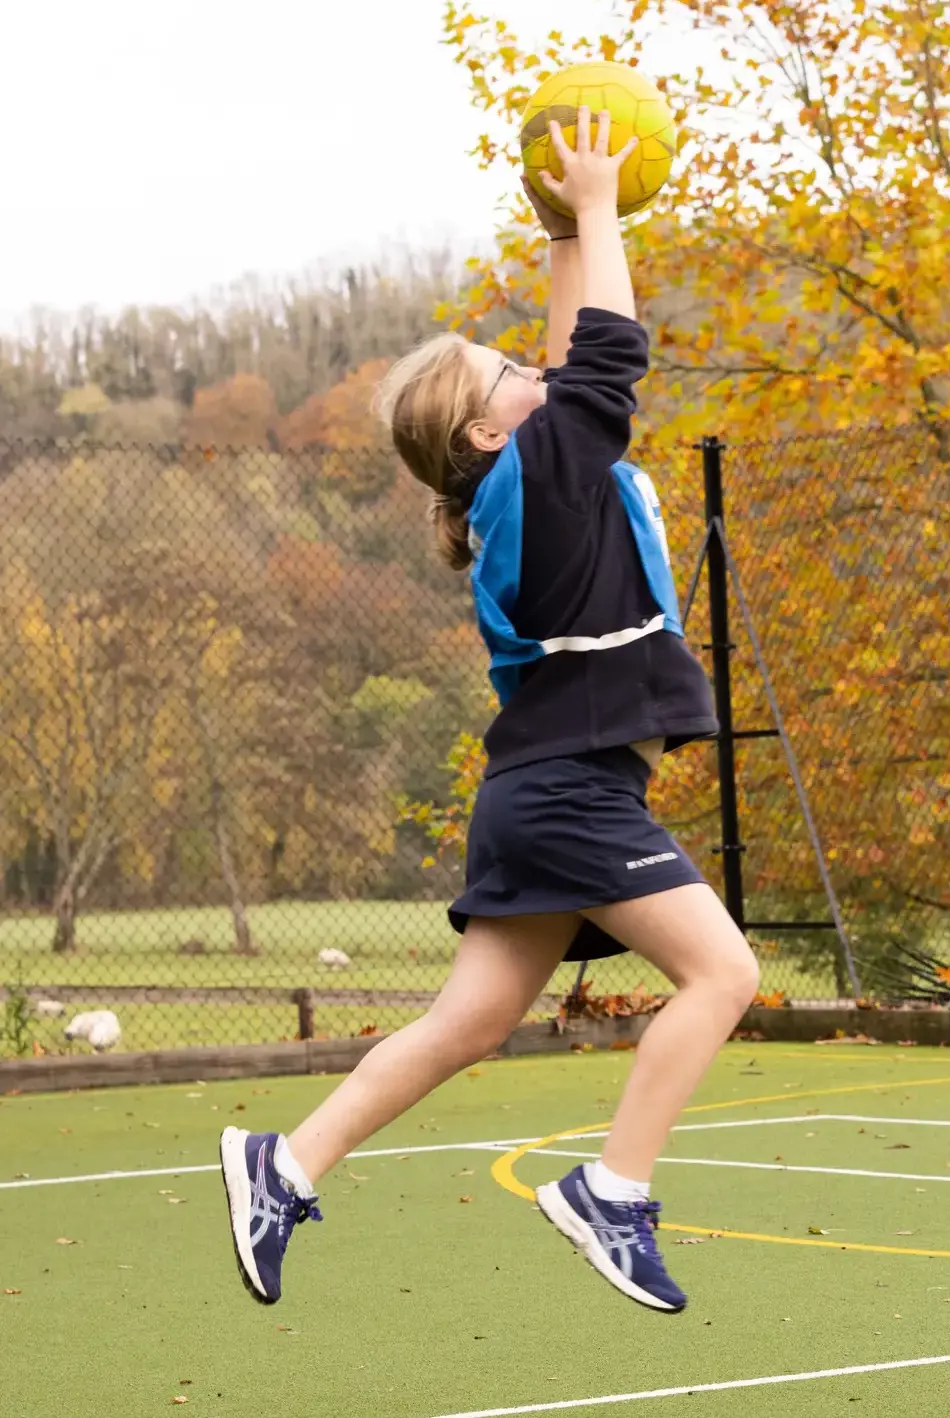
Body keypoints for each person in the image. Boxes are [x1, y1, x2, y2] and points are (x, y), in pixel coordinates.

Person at [220, 107, 759, 1315]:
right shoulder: (543, 467)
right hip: (566, 788)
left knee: (466, 1022)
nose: (538, 373)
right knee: (722, 972)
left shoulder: (527, 476)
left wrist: (566, 229)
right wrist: (602, 212)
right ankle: (612, 1191)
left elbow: (573, 361)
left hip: (544, 791)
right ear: (484, 426)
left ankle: (284, 1161)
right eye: (510, 374)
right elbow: (608, 354)